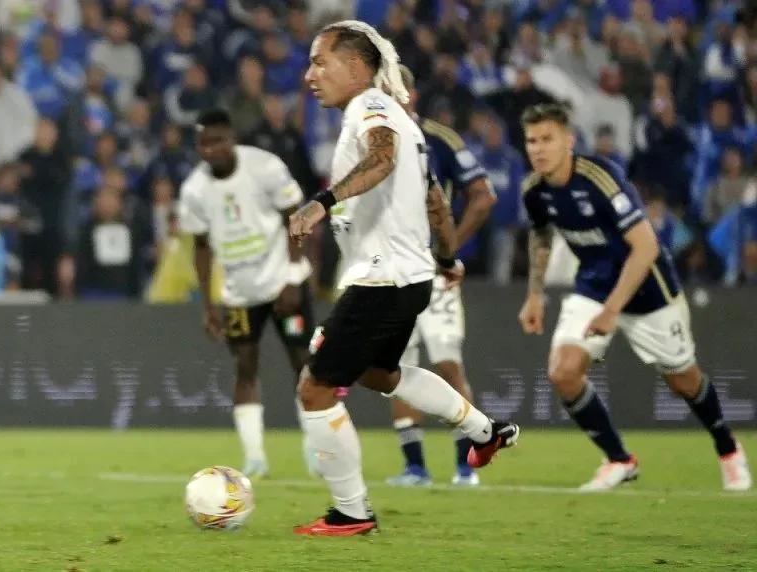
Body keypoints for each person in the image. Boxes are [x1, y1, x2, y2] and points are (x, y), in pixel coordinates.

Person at [289, 21, 520, 537]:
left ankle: (351, 511)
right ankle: (487, 431)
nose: (310, 75)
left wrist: (321, 202)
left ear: (356, 66)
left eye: (320, 62)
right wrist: (445, 257)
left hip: (382, 278)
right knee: (379, 374)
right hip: (407, 277)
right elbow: (435, 197)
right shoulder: (406, 120)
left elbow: (382, 159)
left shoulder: (371, 109)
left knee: (315, 388)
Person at [518, 102, 752, 492]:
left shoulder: (600, 178)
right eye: (531, 141)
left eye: (547, 139)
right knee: (563, 371)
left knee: (683, 380)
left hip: (647, 288)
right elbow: (541, 234)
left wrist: (612, 312)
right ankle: (619, 460)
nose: (538, 148)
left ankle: (729, 449)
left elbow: (644, 247)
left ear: (569, 141)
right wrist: (535, 294)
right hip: (595, 283)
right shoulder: (534, 191)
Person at [177, 108, 318, 479]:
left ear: (232, 138)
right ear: (198, 146)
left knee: (303, 362)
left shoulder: (265, 168)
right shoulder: (194, 190)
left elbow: (297, 217)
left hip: (283, 282)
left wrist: (292, 276)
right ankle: (255, 457)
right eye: (205, 144)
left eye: (219, 141)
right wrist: (207, 304)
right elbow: (202, 246)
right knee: (244, 366)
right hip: (238, 293)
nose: (213, 150)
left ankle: (315, 447)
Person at [383, 65, 498, 488]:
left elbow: (483, 197)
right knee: (395, 369)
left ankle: (466, 465)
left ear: (409, 94)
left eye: (390, 91)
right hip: (389, 273)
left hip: (434, 276)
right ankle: (415, 468)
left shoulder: (439, 140)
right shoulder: (371, 141)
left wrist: (446, 251)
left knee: (448, 364)